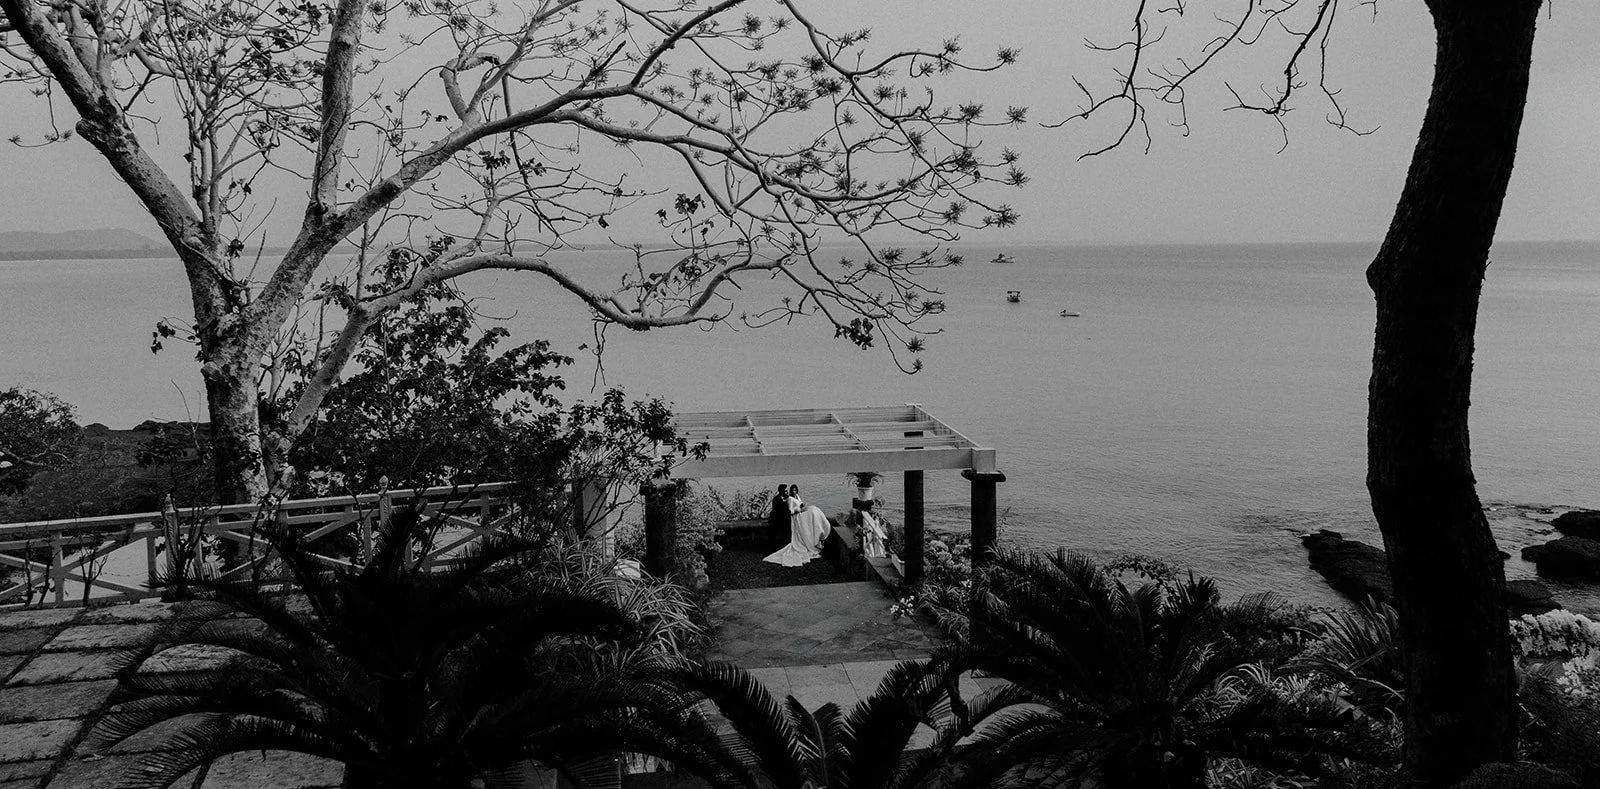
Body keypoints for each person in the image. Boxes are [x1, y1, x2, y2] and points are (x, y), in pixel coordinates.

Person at [762, 483, 832, 567]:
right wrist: (798, 510)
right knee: (811, 514)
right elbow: (788, 511)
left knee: (814, 510)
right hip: (792, 516)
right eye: (786, 491)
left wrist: (802, 506)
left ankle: (820, 532)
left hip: (798, 512)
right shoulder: (783, 499)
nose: (787, 492)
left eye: (788, 491)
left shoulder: (793, 497)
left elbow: (799, 503)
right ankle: (813, 537)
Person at [766, 484, 791, 550]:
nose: (786, 492)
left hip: (786, 518)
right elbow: (776, 510)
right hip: (778, 518)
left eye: (786, 491)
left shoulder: (788, 498)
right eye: (785, 490)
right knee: (773, 529)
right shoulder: (776, 499)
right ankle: (773, 547)